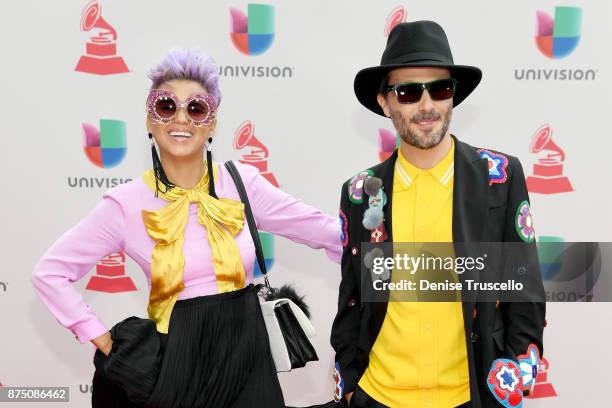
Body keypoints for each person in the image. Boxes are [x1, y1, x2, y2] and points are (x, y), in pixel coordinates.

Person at [32, 48, 342, 408]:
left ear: (211, 124)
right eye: (166, 106)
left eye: (196, 109)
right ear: (150, 121)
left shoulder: (242, 183)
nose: (181, 119)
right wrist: (103, 340)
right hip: (176, 364)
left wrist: (392, 248)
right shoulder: (125, 203)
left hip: (248, 356)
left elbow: (326, 232)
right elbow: (50, 272)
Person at [330, 21, 546, 408]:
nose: (426, 105)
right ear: (385, 102)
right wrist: (349, 383)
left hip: (472, 395)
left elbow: (525, 292)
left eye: (440, 89)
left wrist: (513, 381)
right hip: (378, 394)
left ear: (453, 96)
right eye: (409, 92)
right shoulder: (361, 192)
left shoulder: (500, 177)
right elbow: (352, 298)